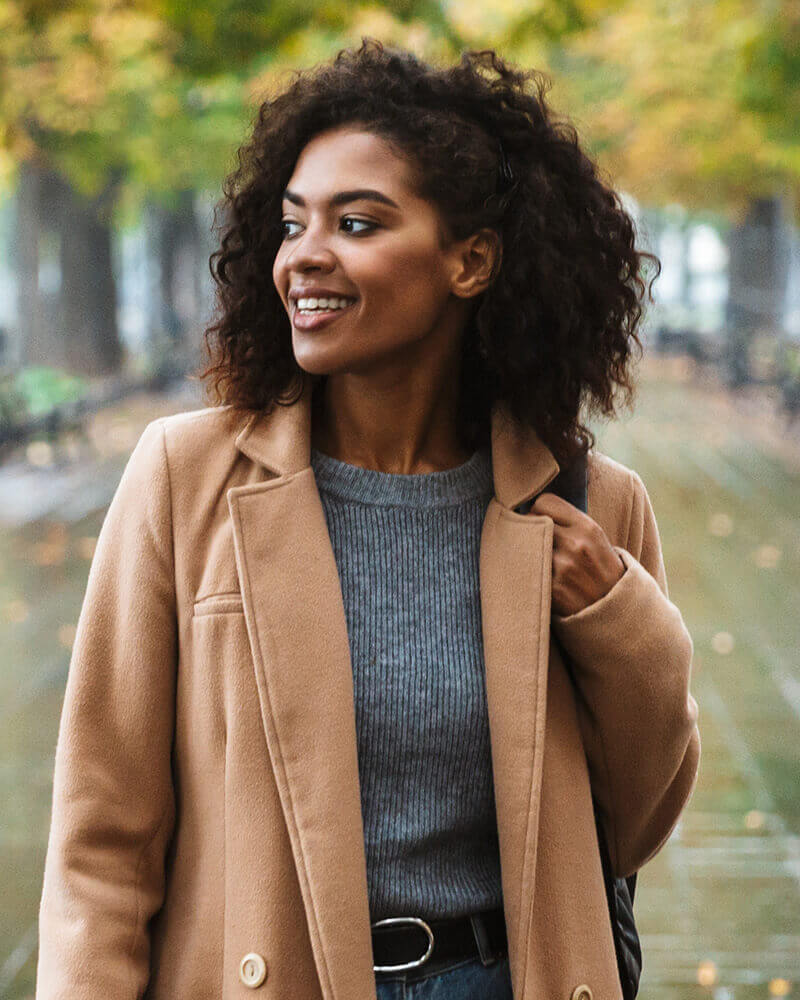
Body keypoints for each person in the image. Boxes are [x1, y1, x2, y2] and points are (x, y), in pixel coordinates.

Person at [35, 38, 701, 1000]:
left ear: (470, 261)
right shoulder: (187, 480)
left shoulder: (585, 504)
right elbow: (100, 843)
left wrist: (620, 622)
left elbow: (634, 825)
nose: (305, 255)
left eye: (356, 223)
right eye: (292, 222)